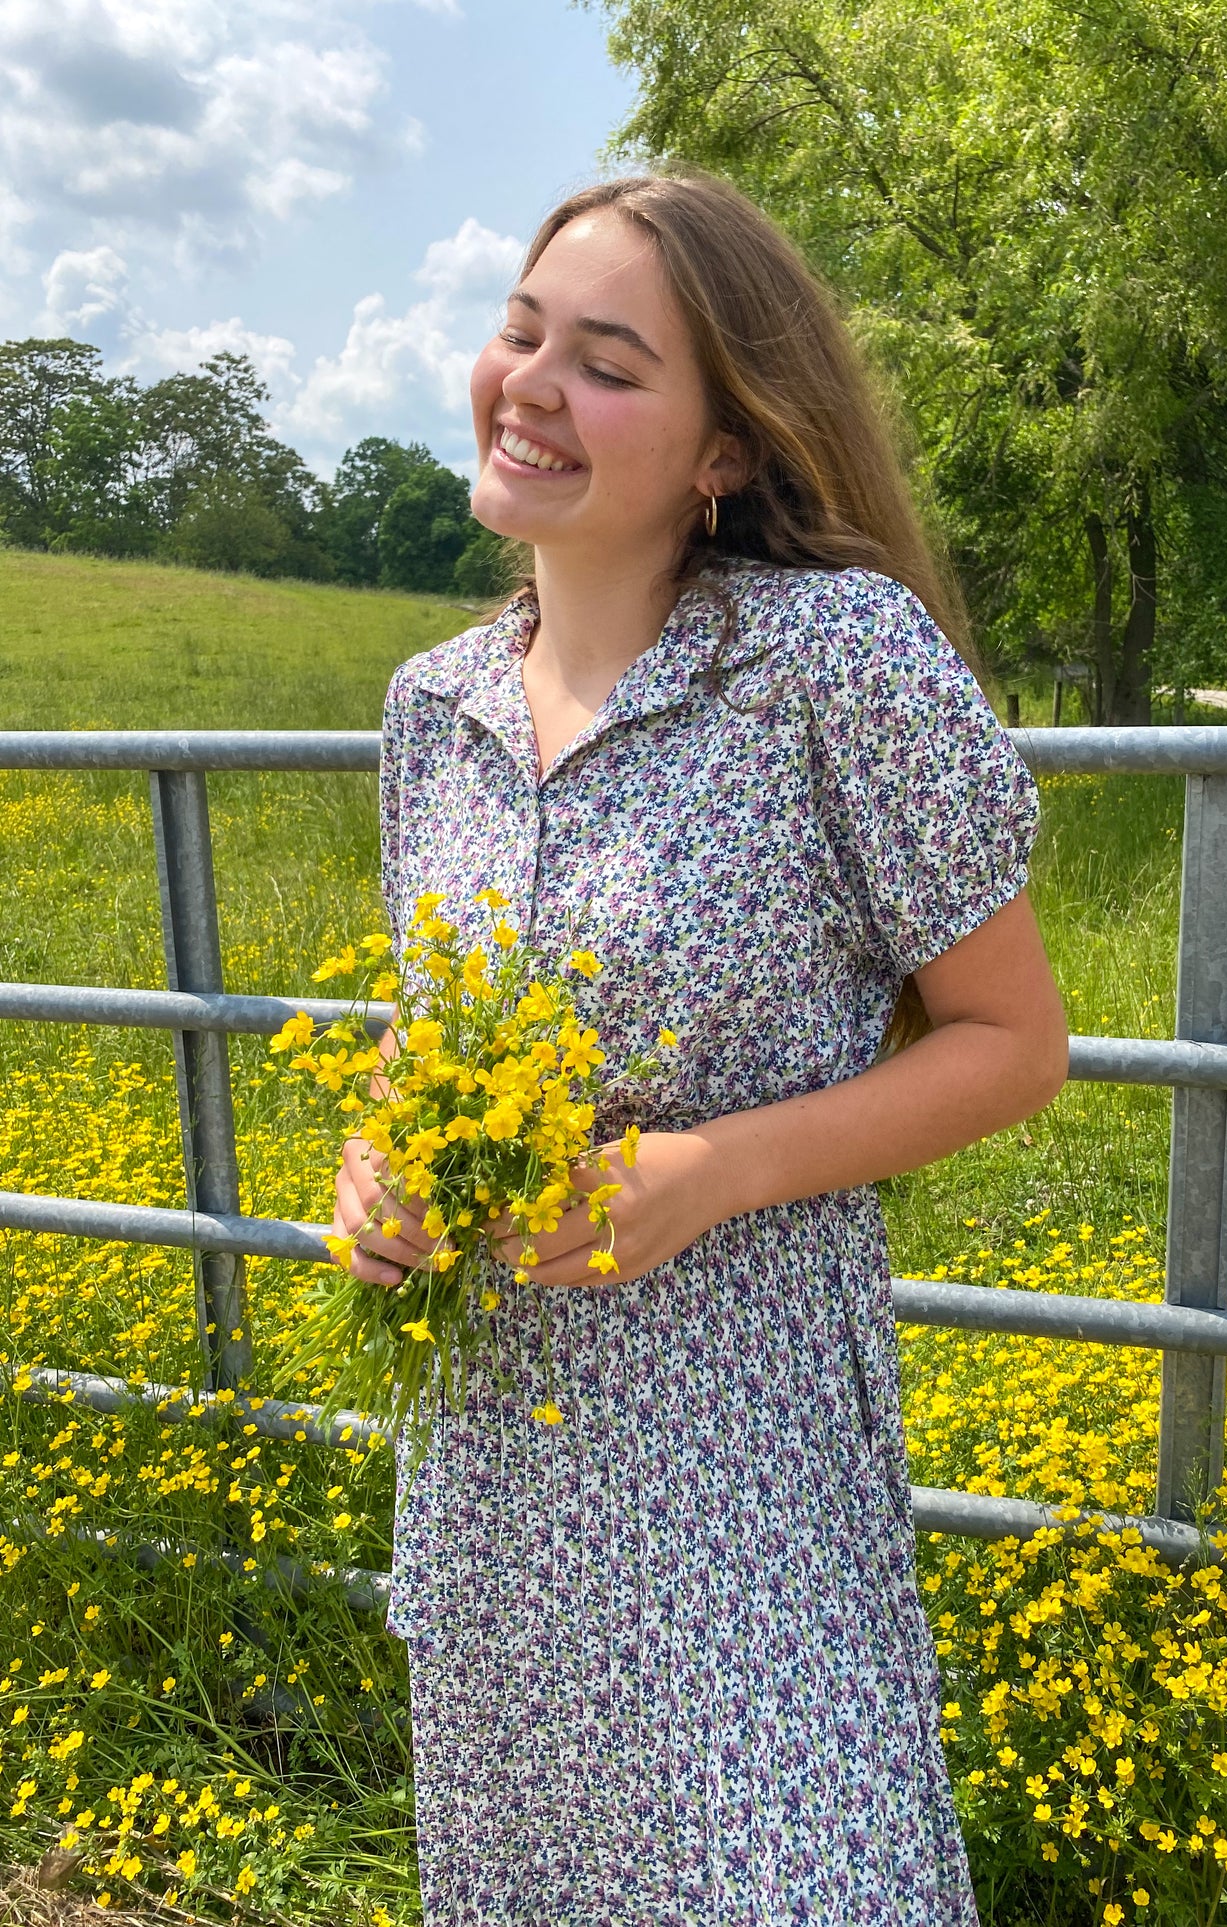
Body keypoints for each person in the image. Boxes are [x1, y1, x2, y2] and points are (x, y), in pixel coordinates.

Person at [330, 171, 1069, 1927]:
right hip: (493, 1467)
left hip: (736, 1482)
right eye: (521, 331)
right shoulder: (429, 709)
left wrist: (715, 1169)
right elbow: (417, 1037)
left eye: (606, 362)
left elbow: (1014, 1042)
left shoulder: (833, 661)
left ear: (723, 450)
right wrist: (378, 1163)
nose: (531, 383)